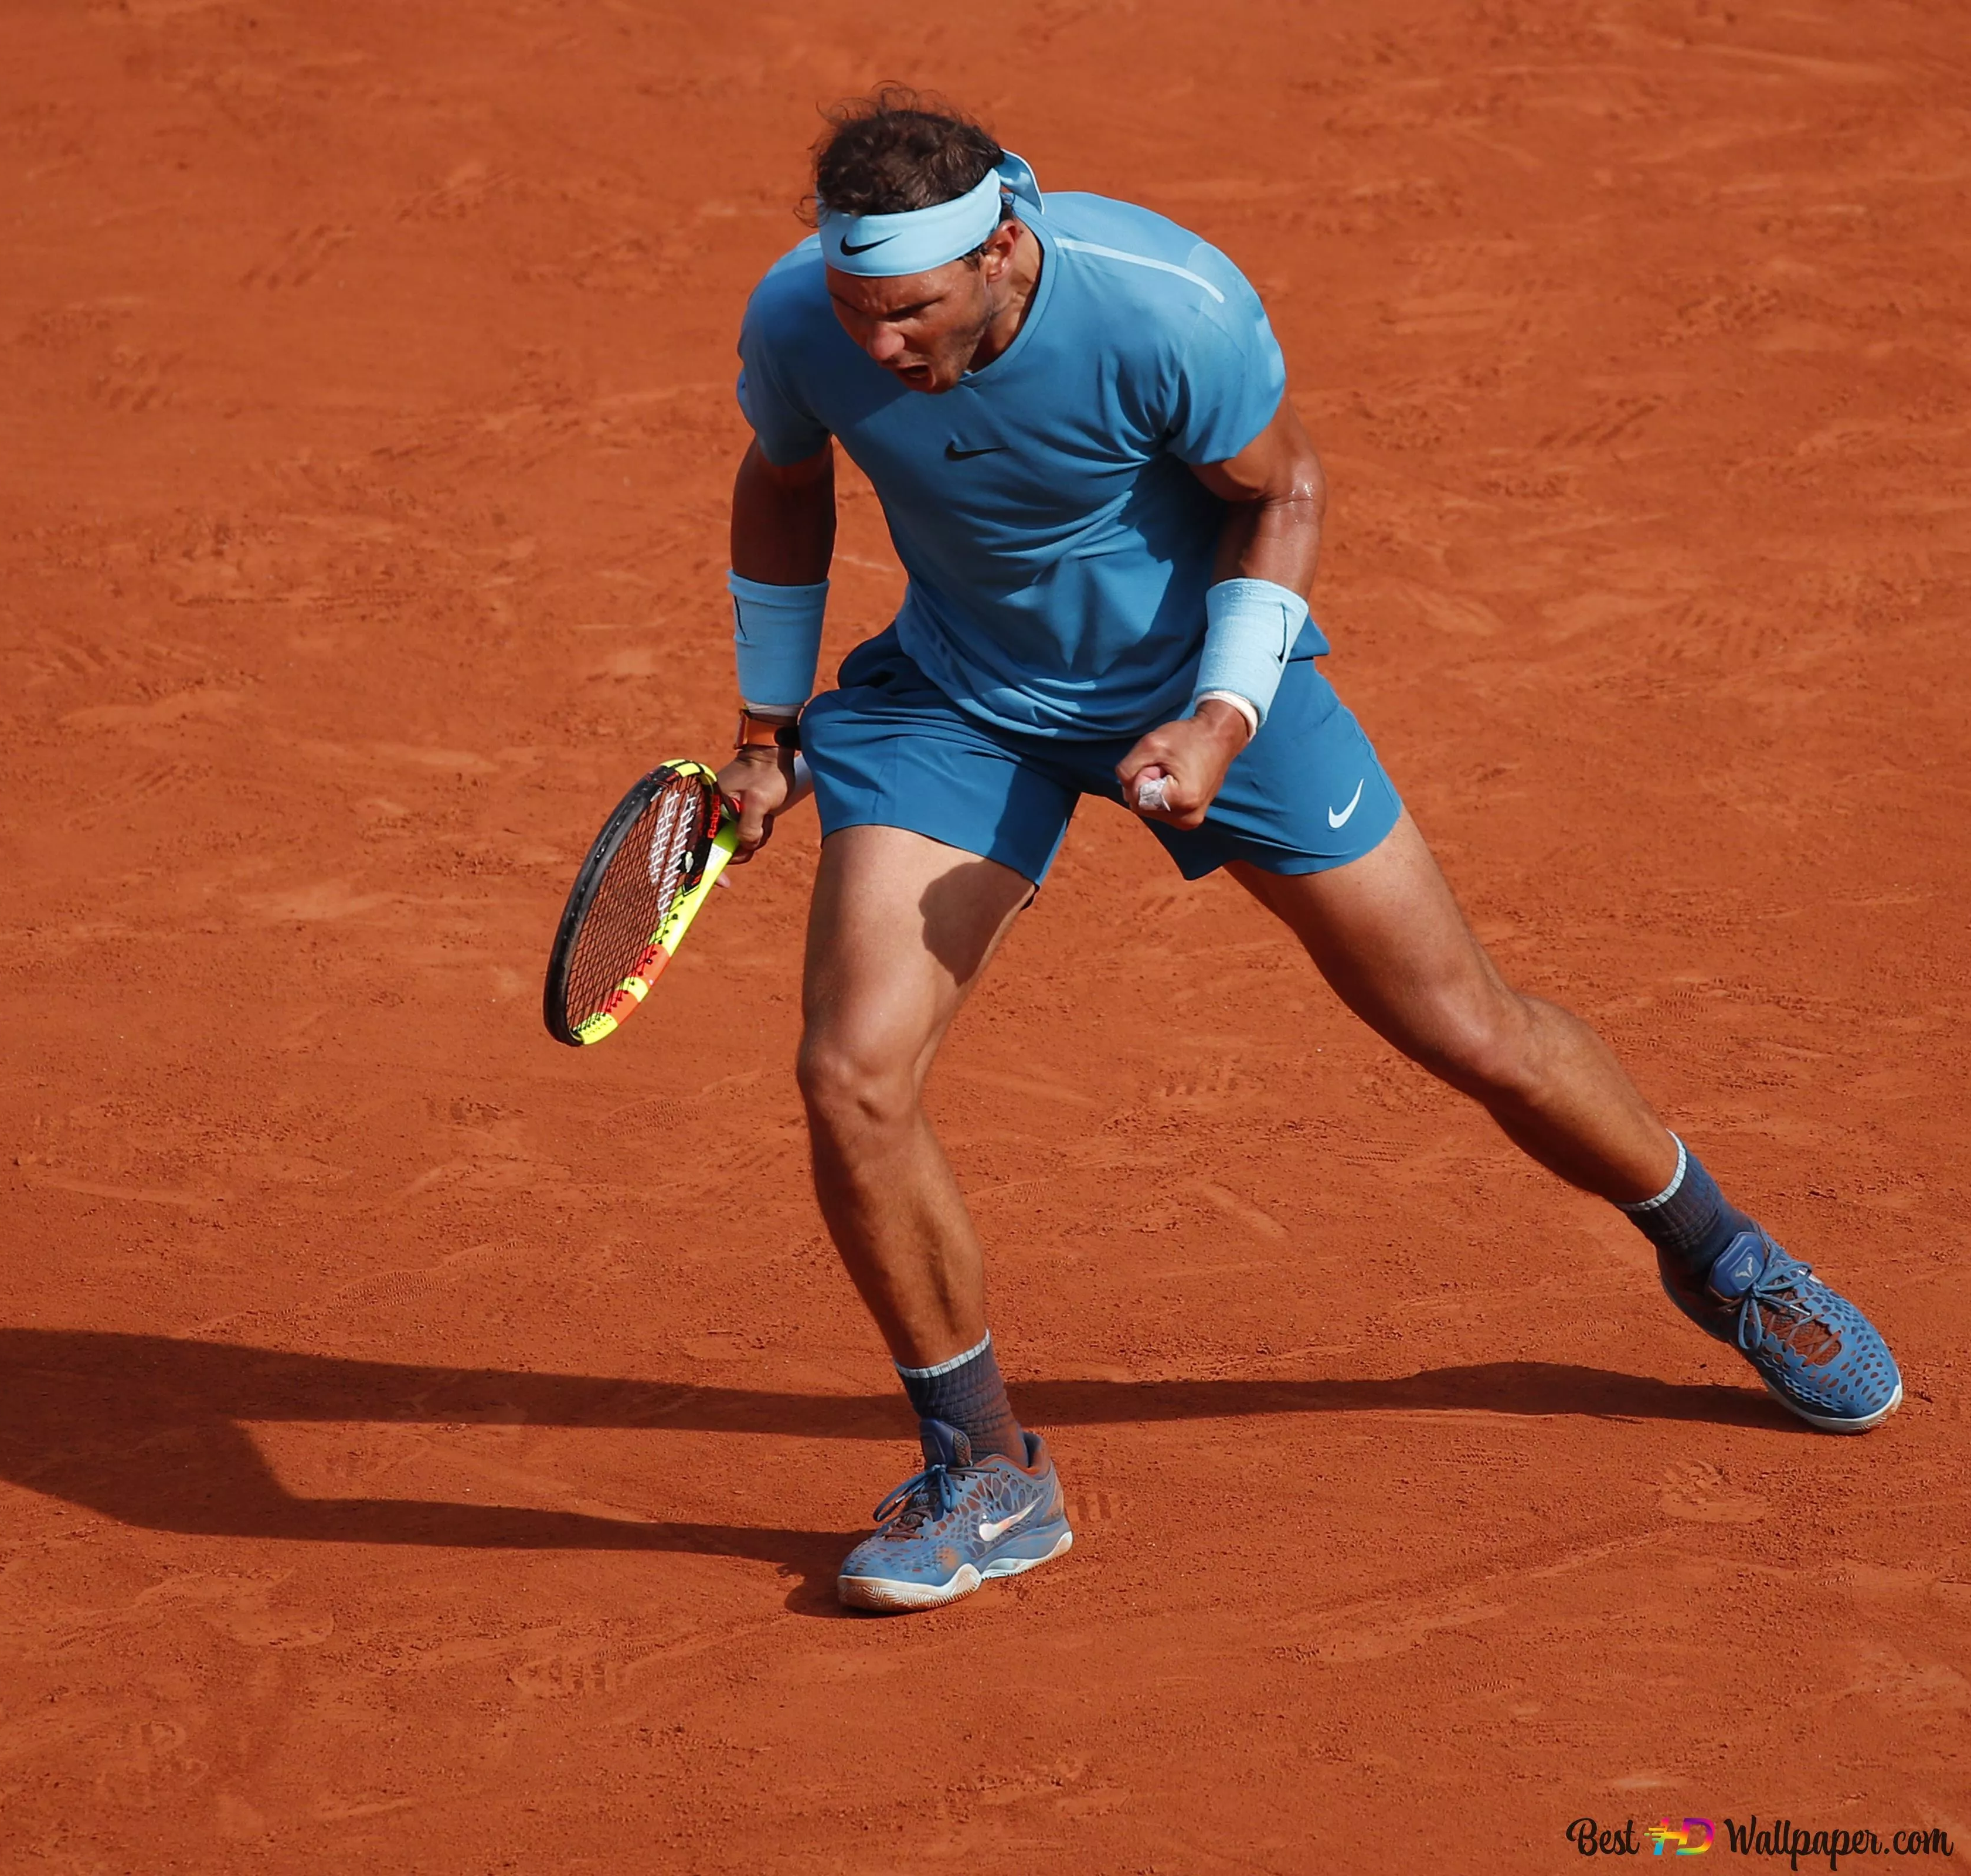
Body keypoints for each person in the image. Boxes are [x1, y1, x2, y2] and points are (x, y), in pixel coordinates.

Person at [713, 89, 1902, 1615]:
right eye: (855, 307)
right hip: (958, 696)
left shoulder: (1166, 306)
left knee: (1471, 1028)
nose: (878, 345)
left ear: (1003, 251)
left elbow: (1286, 490)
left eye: (913, 312)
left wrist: (1218, 717)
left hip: (1205, 678)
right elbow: (782, 477)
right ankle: (986, 1472)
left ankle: (1724, 1256)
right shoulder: (804, 320)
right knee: (849, 1074)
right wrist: (763, 728)